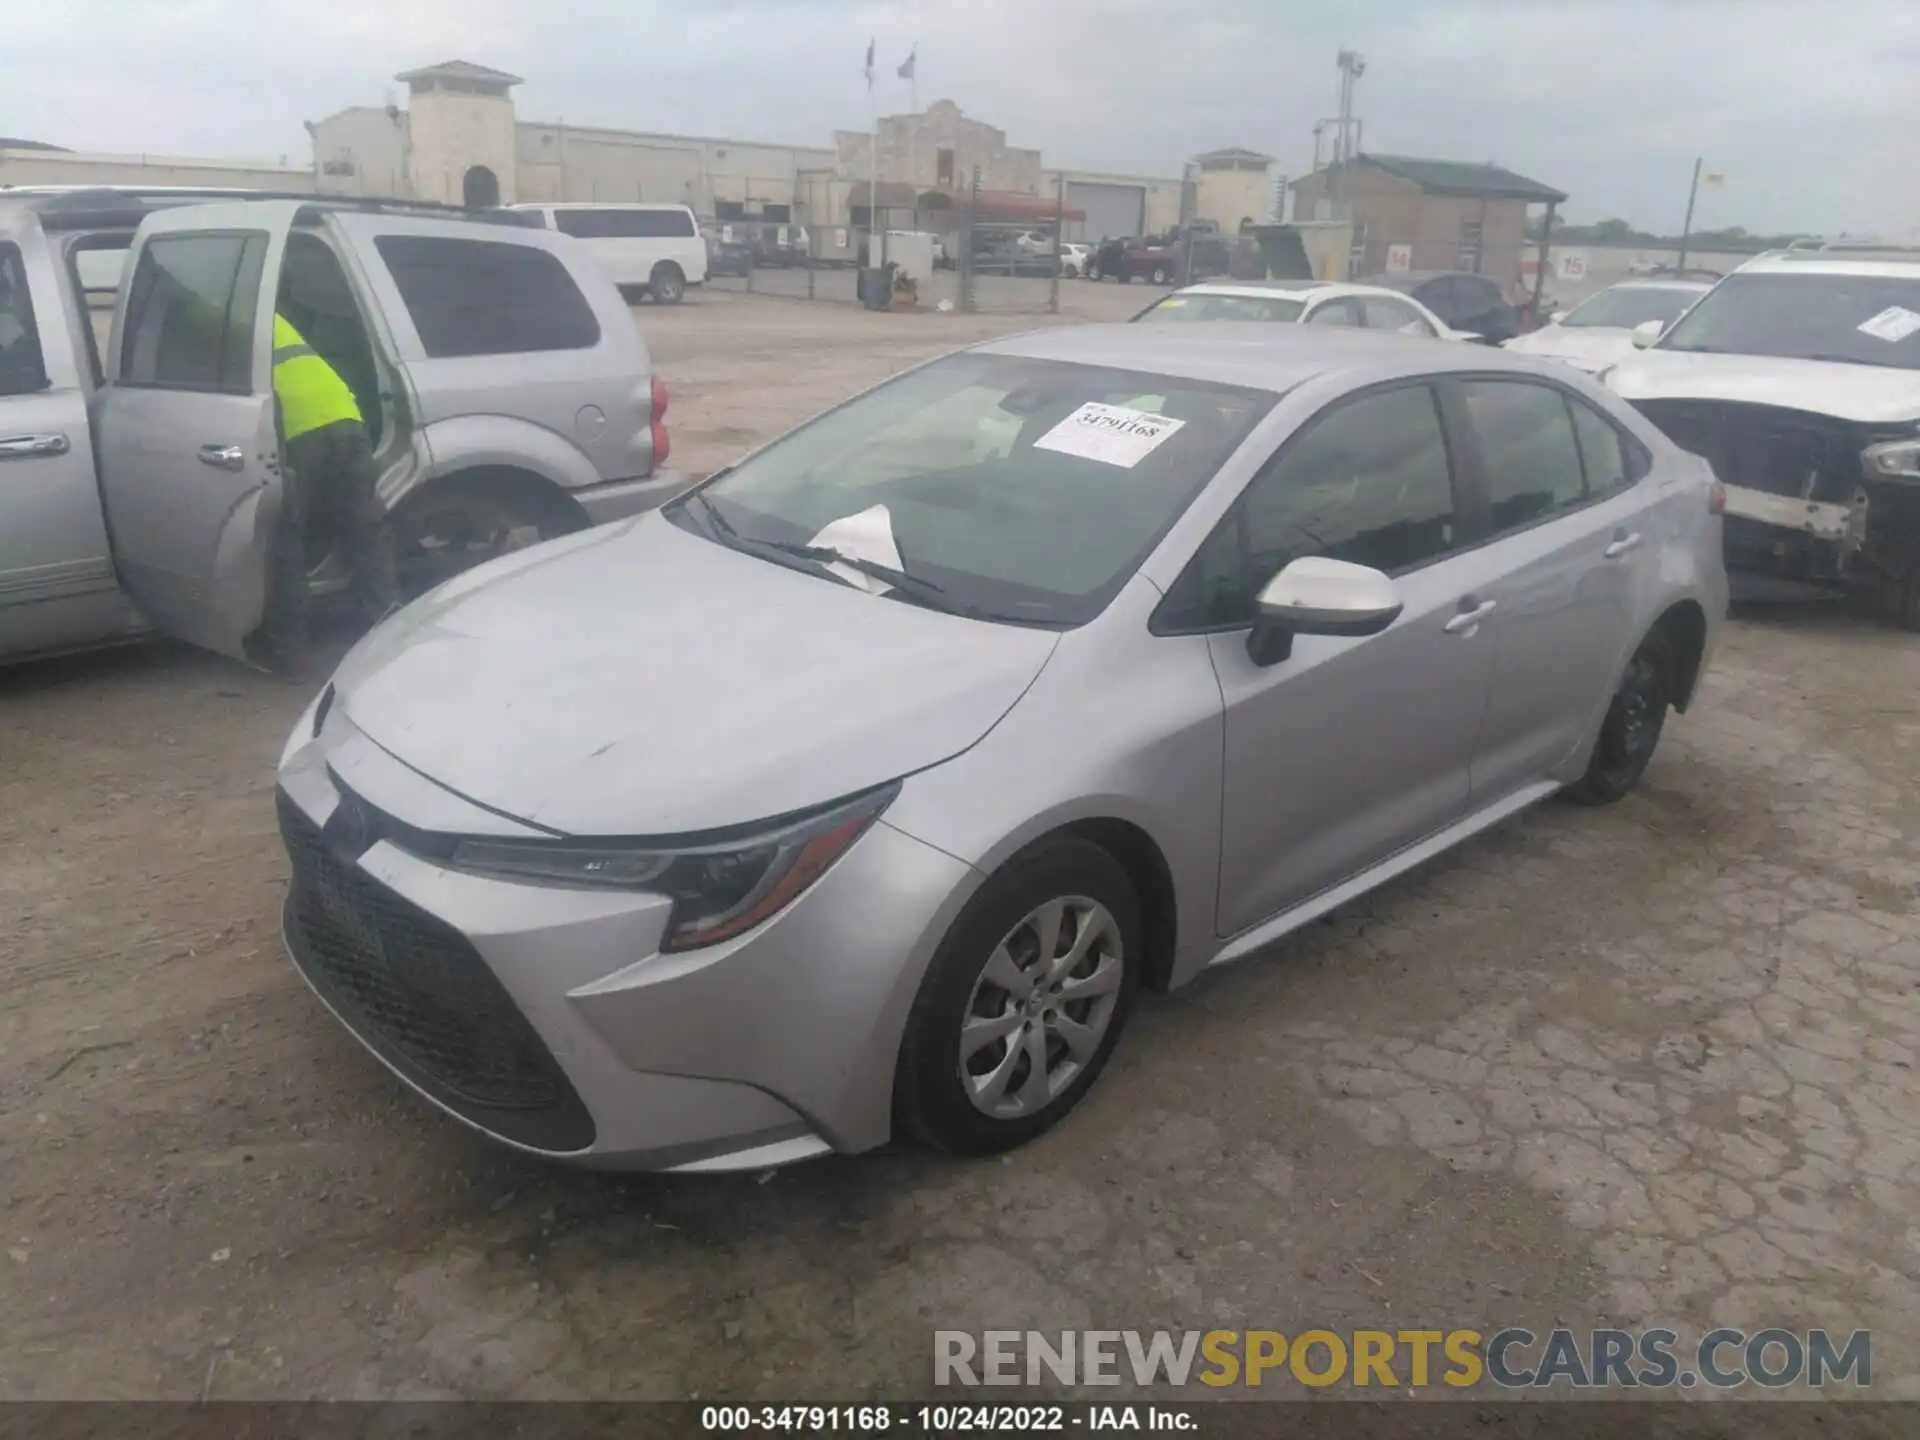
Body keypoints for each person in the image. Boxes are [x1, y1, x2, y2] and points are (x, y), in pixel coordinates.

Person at [253, 313, 399, 673]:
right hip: (345, 417)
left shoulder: (214, 309)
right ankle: (393, 639)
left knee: (287, 544)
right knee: (365, 532)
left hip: (301, 434)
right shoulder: (272, 313)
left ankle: (287, 655)